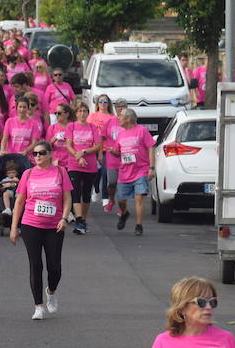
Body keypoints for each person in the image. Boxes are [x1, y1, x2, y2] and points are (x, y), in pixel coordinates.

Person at [9, 140, 72, 321]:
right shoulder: (28, 174)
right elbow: (20, 202)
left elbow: (67, 198)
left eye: (42, 153)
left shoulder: (60, 172)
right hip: (31, 224)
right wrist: (14, 228)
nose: (38, 156)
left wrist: (64, 218)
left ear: (50, 154)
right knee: (35, 265)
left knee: (55, 267)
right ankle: (38, 305)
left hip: (55, 225)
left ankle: (51, 291)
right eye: (35, 154)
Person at [109, 108, 155, 236]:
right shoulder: (121, 134)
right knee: (121, 200)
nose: (118, 118)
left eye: (121, 116)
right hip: (124, 172)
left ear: (129, 119)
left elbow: (151, 147)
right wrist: (114, 152)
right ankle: (124, 213)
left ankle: (139, 225)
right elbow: (119, 152)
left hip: (140, 170)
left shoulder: (142, 131)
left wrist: (151, 168)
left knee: (139, 198)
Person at [65, 101, 101, 234]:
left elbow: (97, 145)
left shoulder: (92, 127)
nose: (82, 113)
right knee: (75, 192)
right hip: (74, 164)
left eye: (84, 111)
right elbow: (68, 145)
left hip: (90, 165)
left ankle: (83, 221)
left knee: (86, 195)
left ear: (88, 113)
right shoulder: (71, 126)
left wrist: (84, 152)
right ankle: (79, 219)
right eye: (79, 111)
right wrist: (78, 156)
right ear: (76, 113)